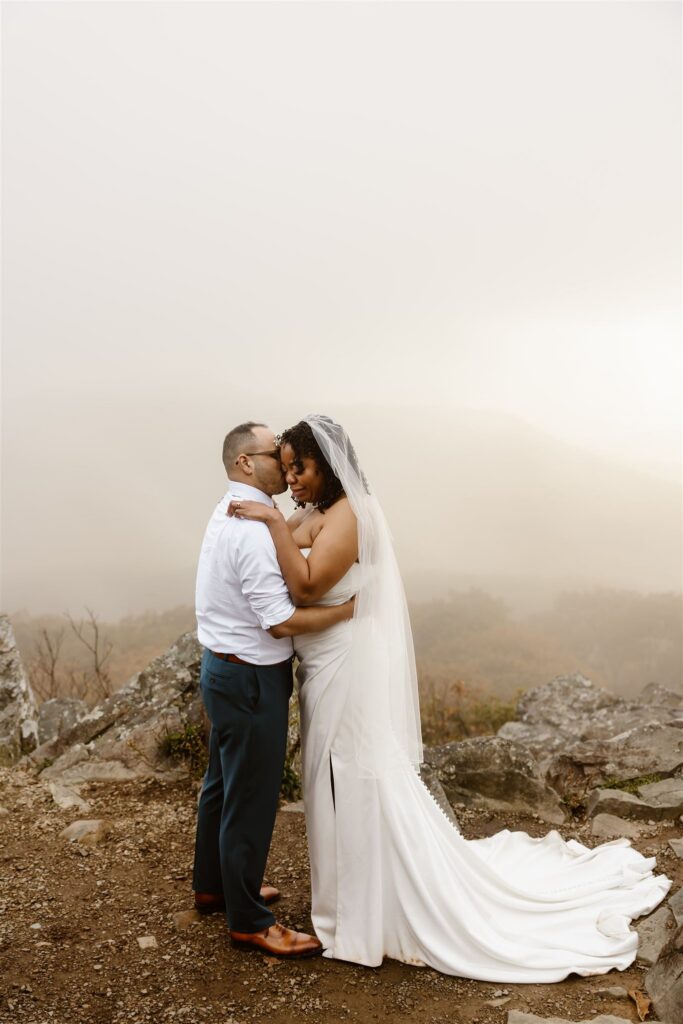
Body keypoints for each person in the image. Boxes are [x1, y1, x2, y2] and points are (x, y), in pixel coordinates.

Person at [227, 413, 672, 981]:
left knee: (358, 777)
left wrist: (268, 519)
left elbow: (307, 585)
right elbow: (283, 561)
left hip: (345, 665)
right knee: (327, 780)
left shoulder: (350, 515)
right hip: (322, 667)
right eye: (286, 469)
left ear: (330, 464)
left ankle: (371, 908)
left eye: (301, 468)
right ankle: (348, 899)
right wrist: (276, 524)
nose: (292, 480)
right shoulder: (313, 512)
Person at [192, 420, 355, 960]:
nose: (283, 470)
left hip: (221, 667)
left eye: (292, 463)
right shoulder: (251, 528)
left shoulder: (229, 510)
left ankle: (215, 886)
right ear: (244, 463)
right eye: (272, 458)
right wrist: (346, 612)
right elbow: (281, 621)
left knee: (221, 785)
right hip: (251, 680)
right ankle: (250, 921)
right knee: (251, 799)